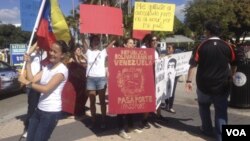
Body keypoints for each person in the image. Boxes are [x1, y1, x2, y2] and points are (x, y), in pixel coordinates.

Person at [185, 20, 236, 141]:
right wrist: (231, 75)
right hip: (222, 86)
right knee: (221, 112)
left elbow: (193, 65)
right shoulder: (227, 46)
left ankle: (207, 129)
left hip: (204, 86)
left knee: (203, 107)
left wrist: (188, 81)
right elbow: (234, 63)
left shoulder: (201, 46)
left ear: (208, 31)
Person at [18, 40, 69, 141]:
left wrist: (26, 83)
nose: (51, 53)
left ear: (62, 55)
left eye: (55, 52)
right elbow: (33, 79)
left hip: (50, 113)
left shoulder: (62, 70)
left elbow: (46, 89)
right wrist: (28, 63)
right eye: (51, 50)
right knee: (30, 138)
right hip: (39, 109)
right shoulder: (47, 67)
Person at [82, 34, 115, 128]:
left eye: (97, 41)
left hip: (101, 79)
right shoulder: (88, 52)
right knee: (92, 101)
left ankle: (104, 120)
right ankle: (93, 121)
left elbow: (112, 42)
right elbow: (83, 39)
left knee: (102, 101)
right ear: (91, 42)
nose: (96, 42)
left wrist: (117, 33)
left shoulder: (103, 52)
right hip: (91, 79)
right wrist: (82, 28)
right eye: (94, 40)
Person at [117, 37, 143, 139]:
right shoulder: (119, 54)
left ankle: (131, 127)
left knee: (131, 107)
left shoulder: (136, 55)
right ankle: (121, 129)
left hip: (133, 85)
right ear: (125, 45)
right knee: (121, 108)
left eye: (133, 43)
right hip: (123, 85)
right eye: (130, 43)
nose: (132, 45)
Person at [22, 42, 43, 138]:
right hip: (30, 85)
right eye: (37, 45)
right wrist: (38, 41)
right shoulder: (31, 54)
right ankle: (27, 128)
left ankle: (36, 126)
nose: (38, 47)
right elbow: (28, 52)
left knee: (39, 107)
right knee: (31, 107)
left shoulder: (43, 54)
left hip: (40, 84)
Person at [164, 44, 180, 113]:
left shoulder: (177, 57)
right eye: (167, 47)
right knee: (165, 90)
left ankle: (170, 107)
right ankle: (166, 103)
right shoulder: (164, 56)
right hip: (166, 76)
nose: (167, 49)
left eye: (169, 48)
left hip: (174, 77)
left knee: (172, 91)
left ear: (173, 50)